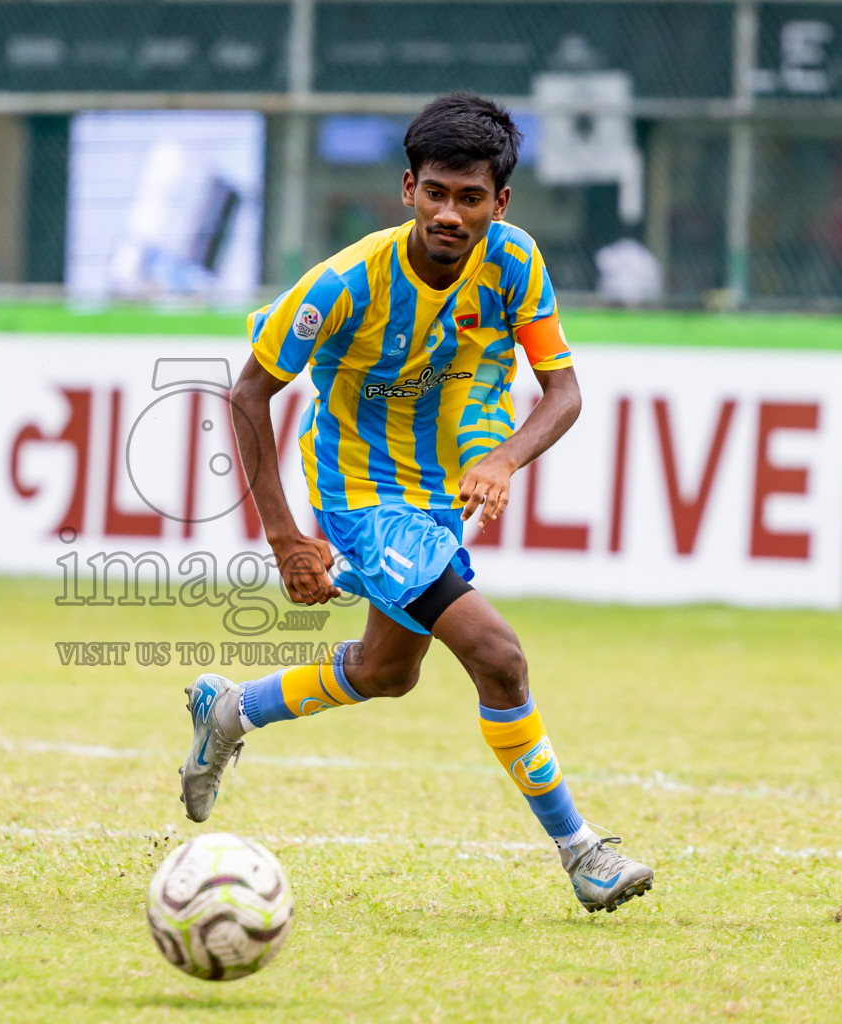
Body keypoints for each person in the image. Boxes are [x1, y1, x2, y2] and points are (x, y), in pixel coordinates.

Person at [179, 92, 653, 913]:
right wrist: (287, 537)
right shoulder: (348, 283)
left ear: (499, 203)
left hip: (441, 505)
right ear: (408, 188)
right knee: (498, 656)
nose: (450, 213)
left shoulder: (515, 262)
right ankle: (583, 853)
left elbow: (564, 392)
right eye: (435, 192)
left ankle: (231, 710)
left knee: (386, 672)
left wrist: (504, 457)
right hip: (362, 498)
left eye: (470, 198)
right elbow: (249, 393)